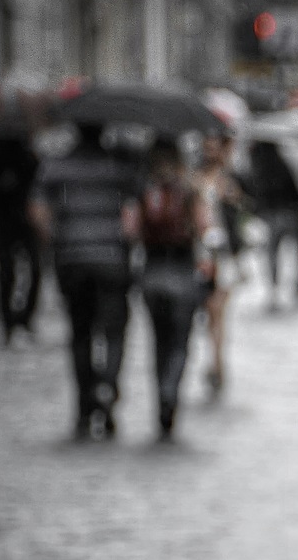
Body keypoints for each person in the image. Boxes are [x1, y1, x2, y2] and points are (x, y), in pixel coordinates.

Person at [33, 122, 139, 439]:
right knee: (115, 330)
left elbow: (38, 212)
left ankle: (83, 406)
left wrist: (57, 239)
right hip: (112, 259)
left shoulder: (55, 165)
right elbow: (132, 220)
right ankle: (106, 384)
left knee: (80, 333)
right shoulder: (120, 167)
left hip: (71, 259)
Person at [137, 140, 208, 440]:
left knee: (158, 343)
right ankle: (170, 391)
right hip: (182, 271)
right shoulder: (190, 190)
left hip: (152, 271)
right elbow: (205, 228)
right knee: (180, 342)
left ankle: (160, 399)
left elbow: (132, 230)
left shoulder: (145, 190)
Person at [192, 132, 243, 395]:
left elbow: (241, 218)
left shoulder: (230, 181)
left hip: (222, 254)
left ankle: (216, 361)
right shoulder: (192, 179)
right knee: (208, 311)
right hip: (199, 253)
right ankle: (214, 358)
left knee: (217, 310)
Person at [0, 133, 42, 342]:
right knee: (6, 272)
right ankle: (8, 320)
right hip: (4, 219)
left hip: (24, 218)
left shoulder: (27, 153)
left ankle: (22, 318)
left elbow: (36, 180)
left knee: (33, 269)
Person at [247, 139, 298, 306]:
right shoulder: (283, 166)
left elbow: (254, 196)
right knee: (296, 253)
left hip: (270, 217)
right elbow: (296, 192)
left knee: (272, 255)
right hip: (289, 215)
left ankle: (274, 289)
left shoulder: (258, 170)